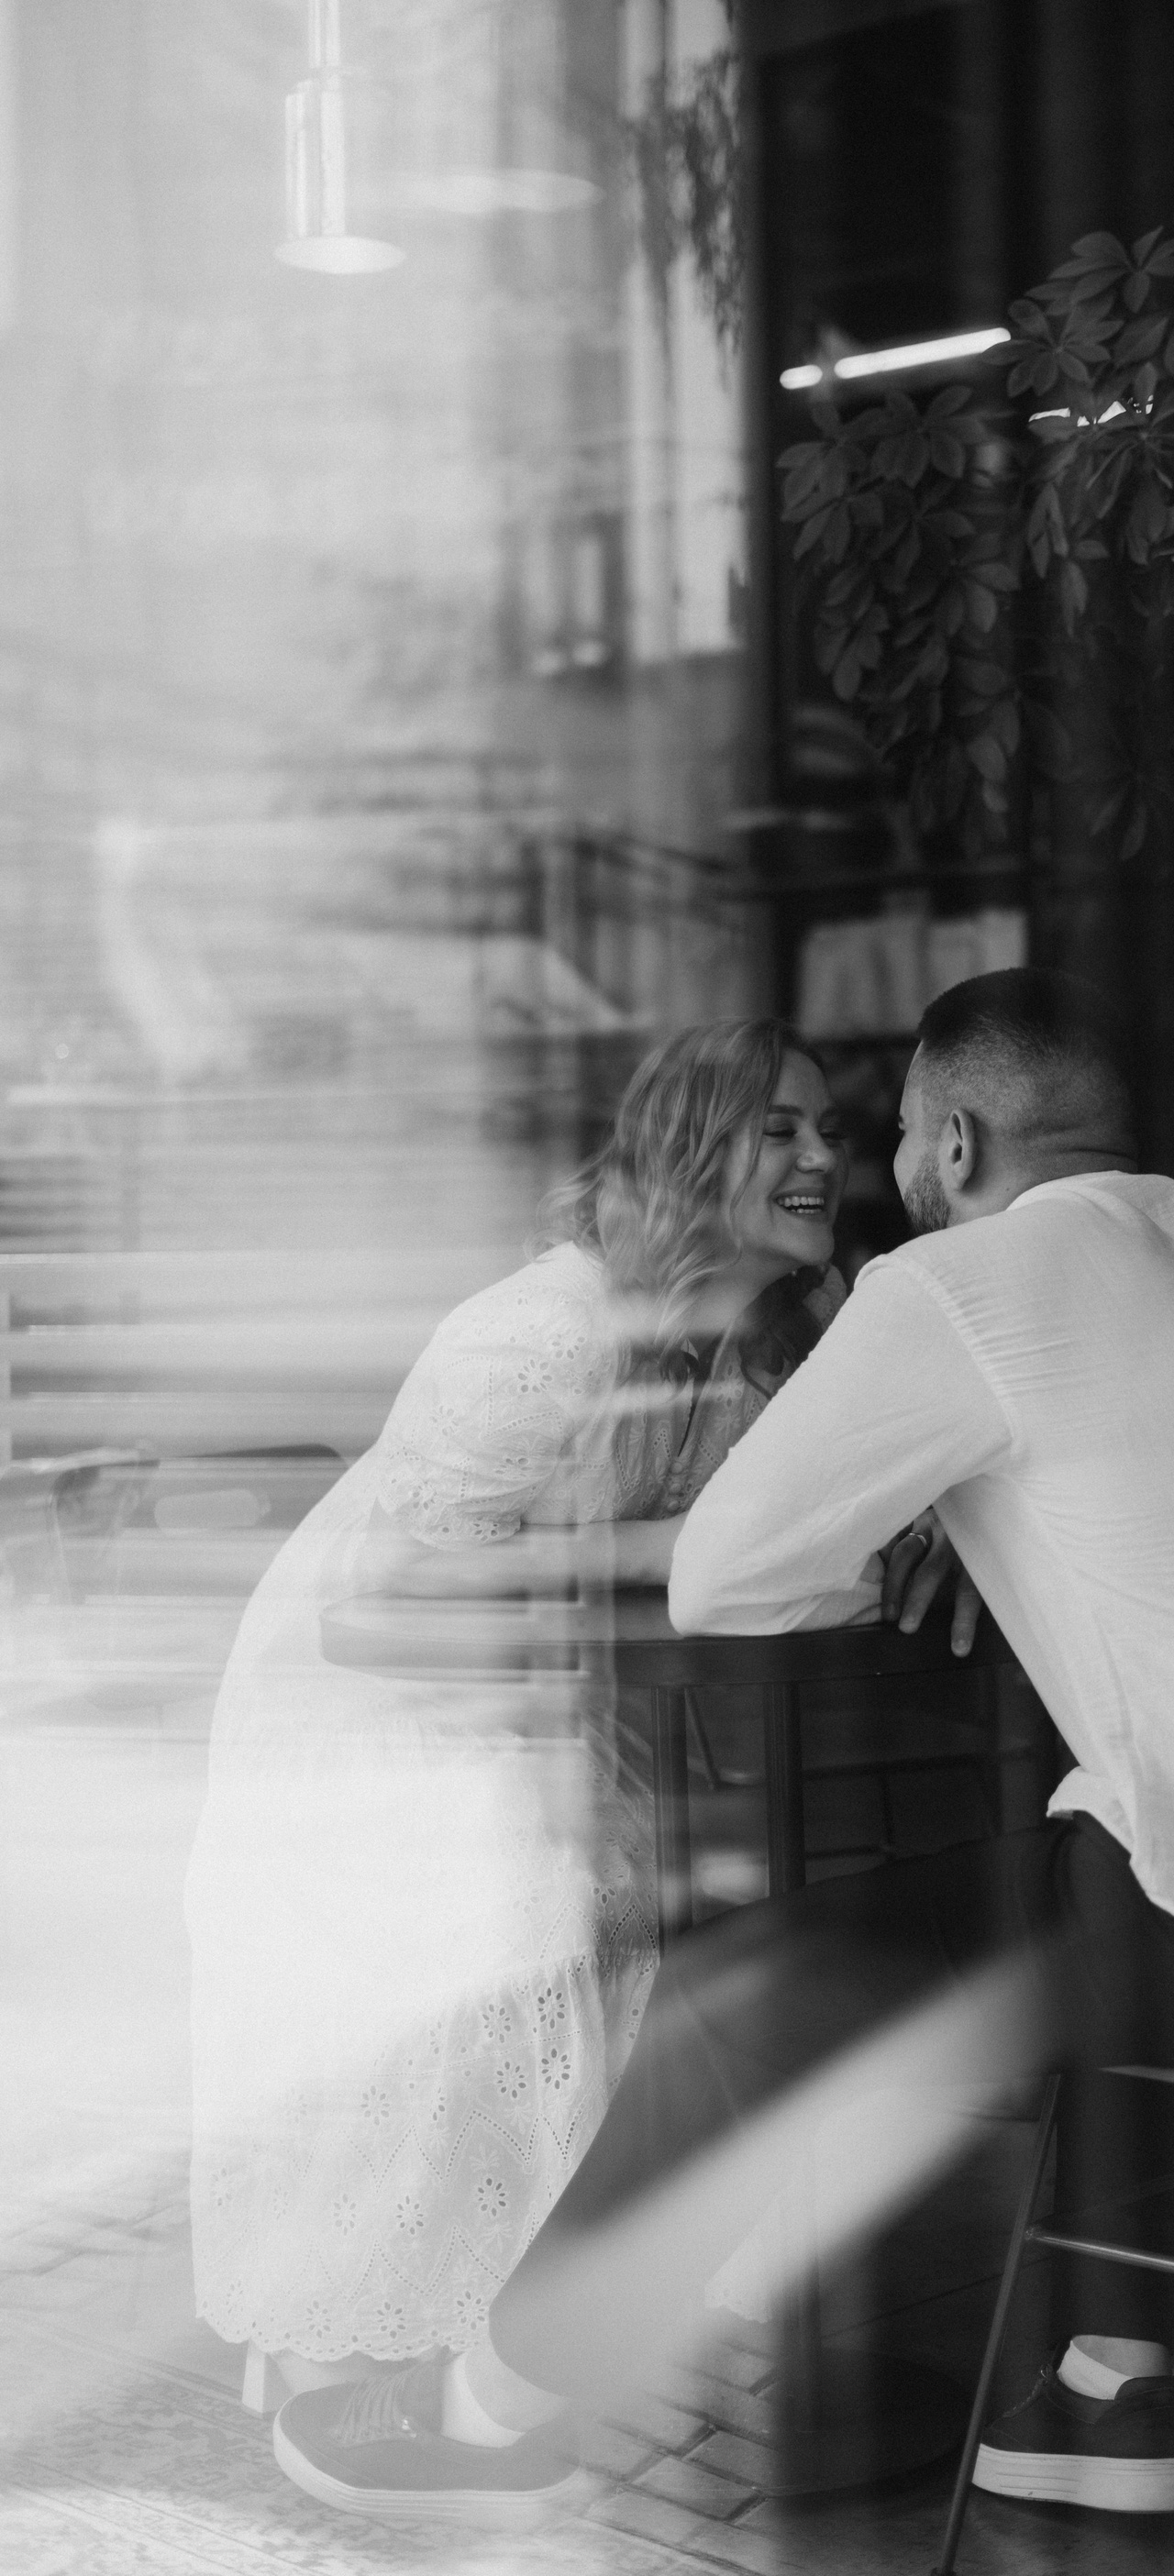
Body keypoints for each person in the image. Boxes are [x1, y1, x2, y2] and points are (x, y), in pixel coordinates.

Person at [270, 966, 1174, 2524]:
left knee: (737, 2000)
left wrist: (918, 1507)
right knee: (1125, 1847)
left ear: (954, 1145)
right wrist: (960, 1506)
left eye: (883, 1131)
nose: (864, 1165)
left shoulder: (952, 1284)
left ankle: (492, 2412)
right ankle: (1113, 2387)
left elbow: (722, 1577)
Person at [184, 1021, 847, 2405]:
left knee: (641, 1927)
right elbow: (401, 1591)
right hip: (372, 1702)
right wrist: (664, 1550)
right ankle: (369, 2358)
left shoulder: (750, 1345)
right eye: (780, 1127)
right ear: (691, 1150)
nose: (821, 1158)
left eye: (828, 1131)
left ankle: (524, 2342)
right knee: (520, 1918)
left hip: (539, 1692)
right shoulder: (545, 1326)